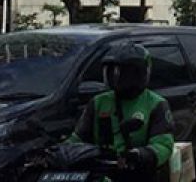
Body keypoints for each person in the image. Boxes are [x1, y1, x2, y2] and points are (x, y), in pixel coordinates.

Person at [68, 42, 174, 182]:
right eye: (111, 71)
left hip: (136, 173)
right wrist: (58, 151)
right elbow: (78, 138)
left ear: (140, 73)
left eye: (122, 72)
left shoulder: (156, 104)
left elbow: (163, 144)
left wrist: (140, 155)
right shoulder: (98, 102)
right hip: (100, 172)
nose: (115, 76)